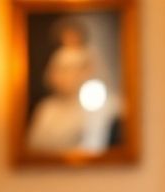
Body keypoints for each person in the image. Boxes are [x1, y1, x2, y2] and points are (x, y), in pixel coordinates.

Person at [25, 17, 124, 154]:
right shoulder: (47, 109)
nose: (65, 77)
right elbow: (34, 148)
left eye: (73, 70)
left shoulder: (102, 105)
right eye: (62, 71)